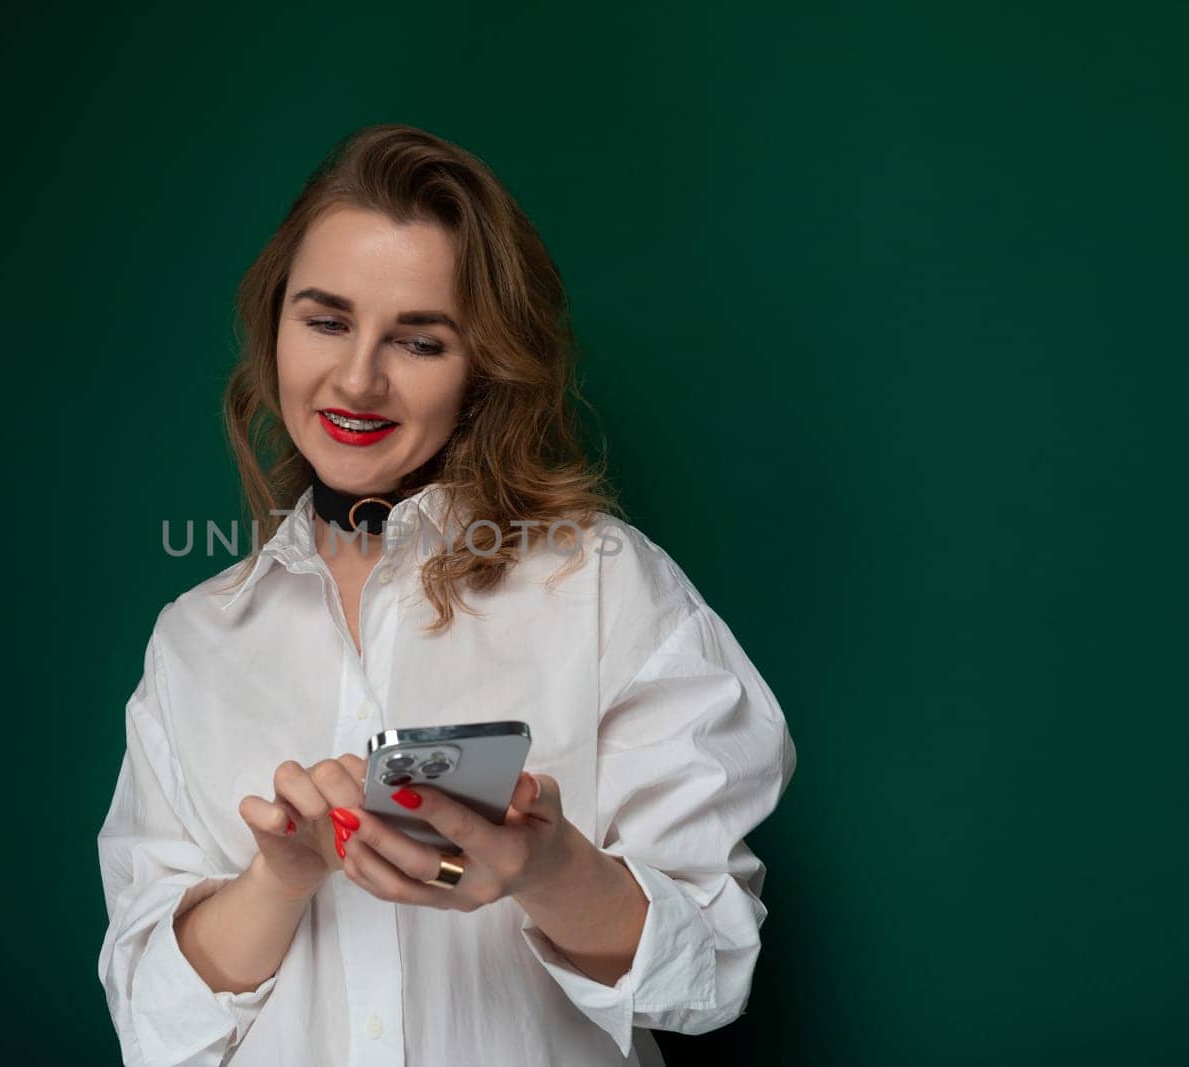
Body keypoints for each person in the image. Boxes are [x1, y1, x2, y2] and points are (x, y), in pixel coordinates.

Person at [96, 123, 798, 1067]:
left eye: (419, 340)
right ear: (274, 325)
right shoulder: (196, 637)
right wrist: (280, 874)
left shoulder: (602, 585)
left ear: (483, 369)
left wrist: (546, 867)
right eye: (327, 319)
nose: (357, 378)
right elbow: (152, 1023)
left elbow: (713, 970)